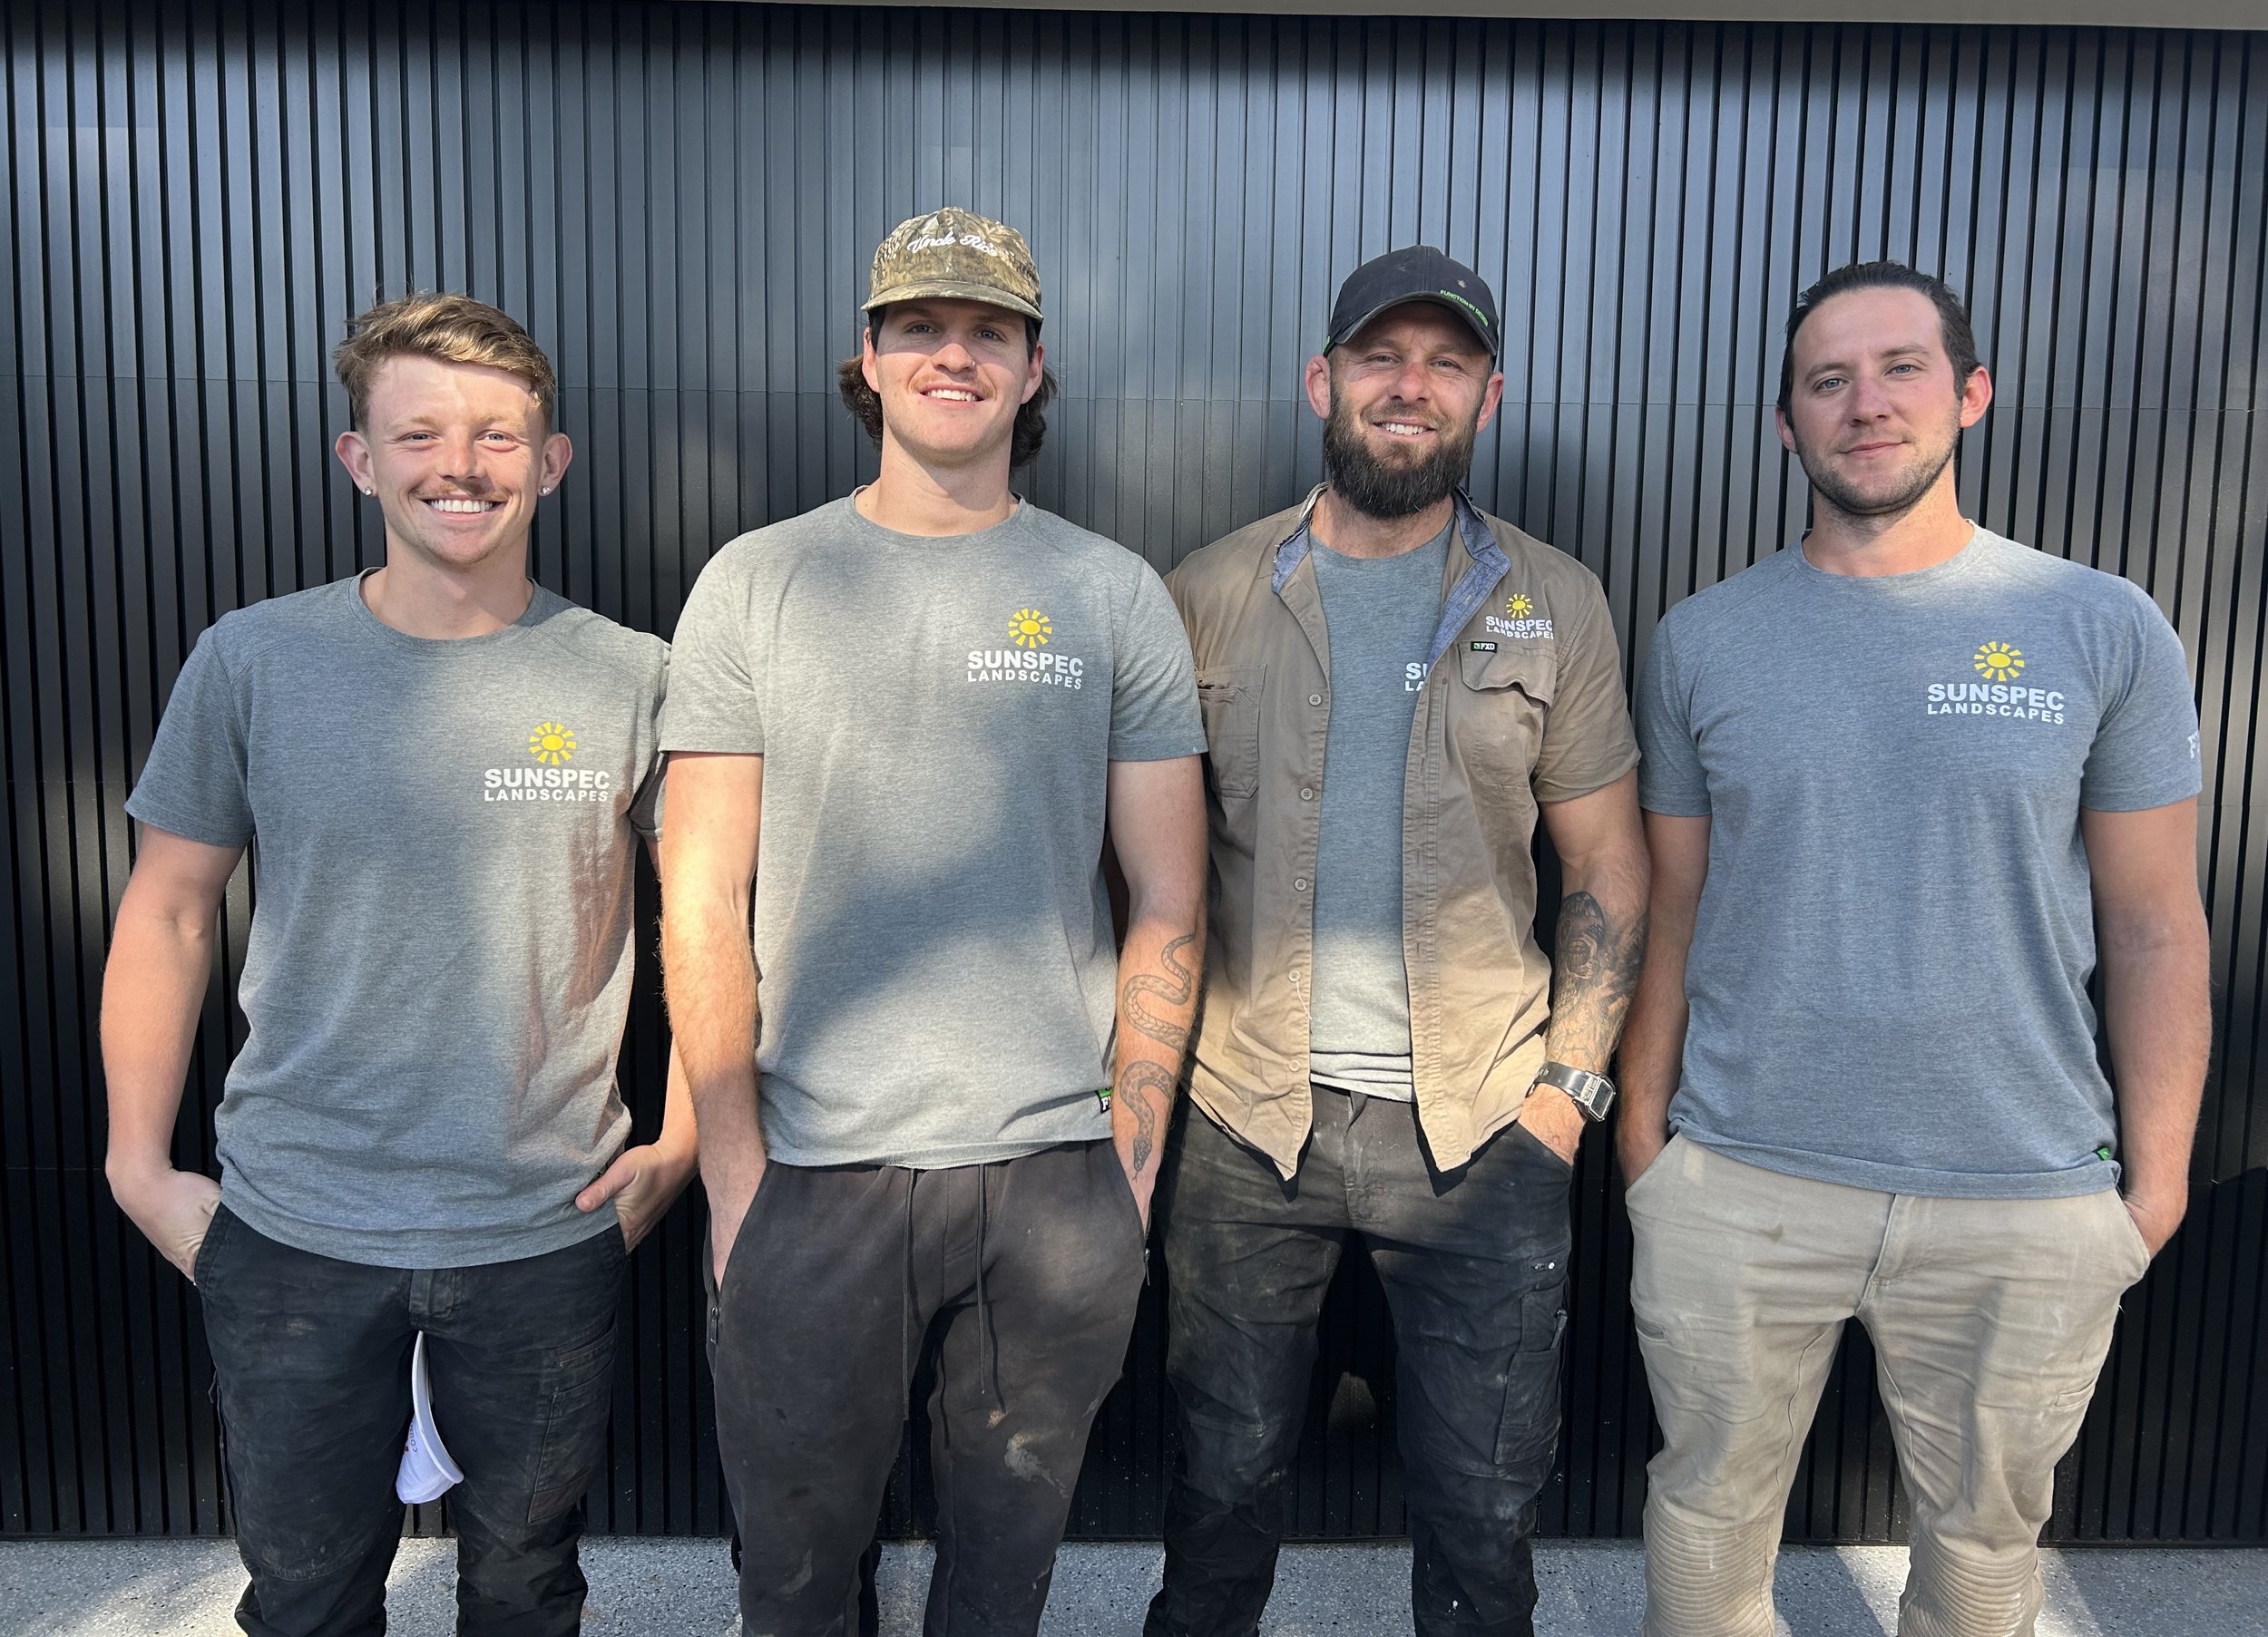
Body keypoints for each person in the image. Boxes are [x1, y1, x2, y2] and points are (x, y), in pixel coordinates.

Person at [1620, 260, 2210, 1637]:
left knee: (1987, 1551)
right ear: (1787, 425)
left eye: (1900, 370)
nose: (1866, 404)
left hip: (2021, 1188)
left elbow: (2153, 919)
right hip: (1743, 1176)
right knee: (1705, 1530)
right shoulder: (1704, 640)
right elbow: (1670, 903)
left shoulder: (2097, 625)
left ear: (1972, 394)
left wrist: (2155, 1188)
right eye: (1829, 380)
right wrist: (1649, 1142)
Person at [102, 293, 695, 1636]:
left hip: (544, 1223)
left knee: (527, 1586)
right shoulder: (253, 662)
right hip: (296, 1226)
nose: (461, 466)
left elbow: (712, 924)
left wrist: (688, 1136)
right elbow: (168, 911)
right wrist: (138, 1166)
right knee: (306, 1594)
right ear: (358, 458)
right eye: (418, 432)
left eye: (499, 435)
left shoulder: (631, 678)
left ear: (550, 461)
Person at [661, 206, 1208, 1637]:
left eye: (989, 331)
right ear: (869, 358)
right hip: (810, 1173)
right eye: (921, 326)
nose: (952, 355)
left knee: (999, 1588)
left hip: (1048, 1178)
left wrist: (1128, 1164)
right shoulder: (754, 582)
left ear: (1035, 369)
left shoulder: (1110, 594)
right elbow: (702, 897)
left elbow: (1168, 897)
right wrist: (733, 1174)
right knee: (790, 1592)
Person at [1149, 247, 1650, 1637]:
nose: (1409, 387)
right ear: (1324, 381)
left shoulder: (1557, 601)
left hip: (1490, 1124)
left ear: (1488, 394)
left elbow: (1608, 863)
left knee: (1483, 1516)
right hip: (1247, 1122)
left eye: (1446, 361)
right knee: (1216, 1499)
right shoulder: (1209, 594)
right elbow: (1155, 876)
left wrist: (1568, 1098)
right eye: (1381, 357)